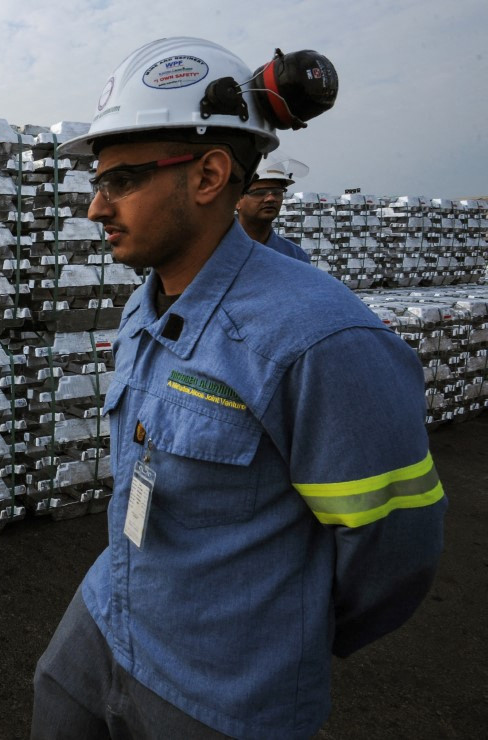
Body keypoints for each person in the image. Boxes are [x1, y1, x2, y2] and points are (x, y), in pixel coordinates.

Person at [32, 37, 446, 739]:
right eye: (96, 183)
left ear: (208, 175)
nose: (96, 208)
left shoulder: (319, 340)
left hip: (222, 689)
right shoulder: (149, 299)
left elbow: (394, 547)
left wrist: (278, 632)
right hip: (112, 615)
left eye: (122, 180)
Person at [236, 158, 310, 262]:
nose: (271, 198)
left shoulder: (294, 256)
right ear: (236, 200)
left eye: (277, 192)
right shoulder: (216, 251)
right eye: (260, 192)